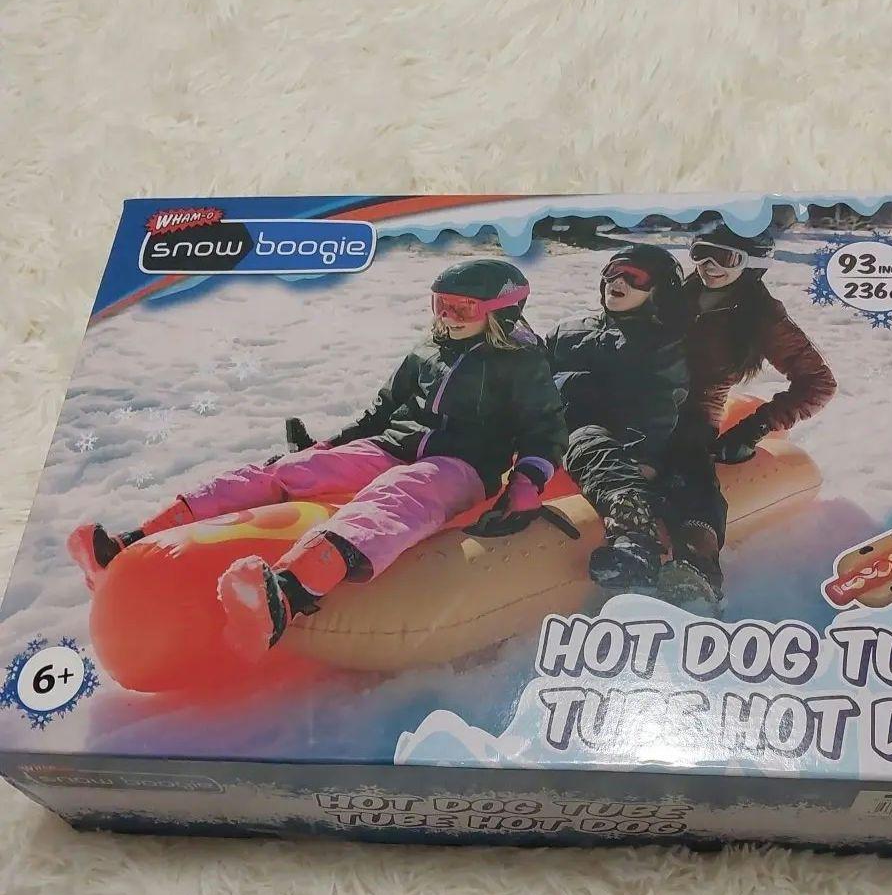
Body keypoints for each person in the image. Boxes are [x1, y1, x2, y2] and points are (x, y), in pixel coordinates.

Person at [68, 259, 568, 660]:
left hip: (461, 466)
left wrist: (525, 486)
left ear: (501, 313)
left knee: (397, 495)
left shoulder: (521, 365)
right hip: (393, 445)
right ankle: (129, 542)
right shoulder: (428, 349)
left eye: (463, 308)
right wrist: (328, 447)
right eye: (441, 305)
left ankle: (285, 596)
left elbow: (544, 432)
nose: (447, 317)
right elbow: (382, 410)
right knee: (290, 472)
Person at [666, 224, 837, 596]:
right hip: (643, 398)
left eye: (724, 257)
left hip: (693, 412)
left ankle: (698, 563)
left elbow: (818, 383)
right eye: (700, 252)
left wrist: (754, 428)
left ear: (754, 263)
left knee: (687, 460)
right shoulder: (677, 293)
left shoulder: (762, 315)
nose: (708, 265)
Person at [545, 244, 690, 591]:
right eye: (612, 272)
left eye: (634, 276)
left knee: (587, 440)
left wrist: (645, 458)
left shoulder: (663, 345)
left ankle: (637, 538)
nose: (618, 281)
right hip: (543, 429)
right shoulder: (567, 331)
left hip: (608, 439)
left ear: (660, 290)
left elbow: (660, 401)